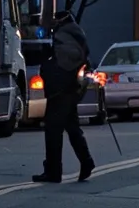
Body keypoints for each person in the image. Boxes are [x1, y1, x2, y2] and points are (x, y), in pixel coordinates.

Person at [33, 10, 95, 183]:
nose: (53, 23)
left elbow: (65, 62)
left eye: (55, 19)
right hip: (69, 88)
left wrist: (53, 72)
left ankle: (54, 171)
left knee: (53, 130)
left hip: (62, 89)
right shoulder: (75, 32)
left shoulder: (65, 34)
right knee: (72, 127)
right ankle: (86, 161)